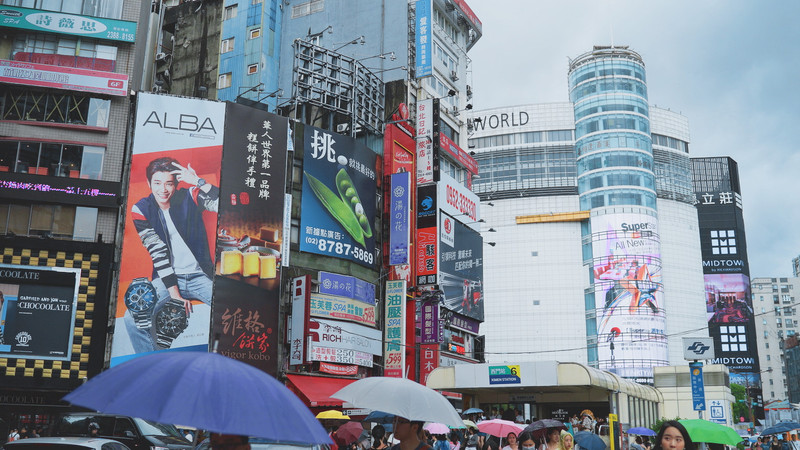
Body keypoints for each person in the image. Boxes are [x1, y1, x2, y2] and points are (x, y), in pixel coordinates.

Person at [124, 157, 218, 352]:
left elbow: (224, 206)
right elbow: (157, 252)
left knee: (233, 310)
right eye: (157, 183)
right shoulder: (141, 209)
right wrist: (174, 295)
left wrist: (198, 182)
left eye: (169, 183)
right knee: (131, 318)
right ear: (149, 183)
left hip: (199, 276)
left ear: (176, 185)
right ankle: (153, 365)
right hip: (167, 280)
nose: (163, 189)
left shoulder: (190, 196)